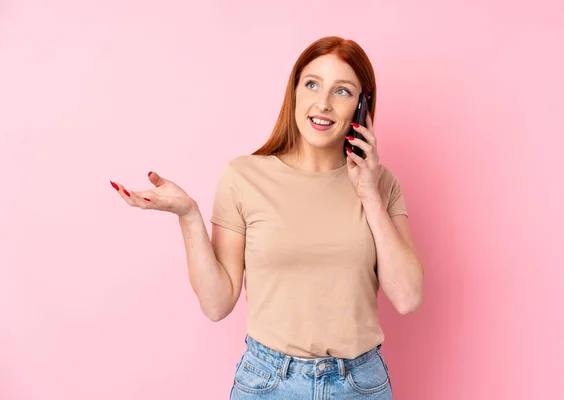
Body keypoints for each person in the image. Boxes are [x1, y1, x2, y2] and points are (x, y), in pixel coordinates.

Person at [110, 36, 424, 399]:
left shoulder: (383, 184)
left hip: (359, 384)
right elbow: (217, 304)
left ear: (362, 106)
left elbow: (407, 297)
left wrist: (368, 193)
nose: (322, 103)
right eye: (312, 84)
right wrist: (189, 216)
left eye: (342, 91)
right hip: (269, 383)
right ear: (294, 92)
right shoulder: (243, 177)